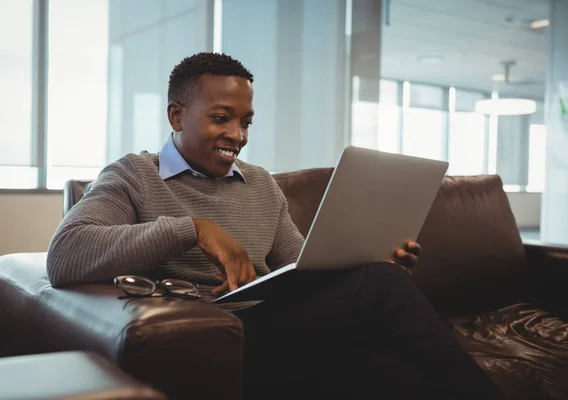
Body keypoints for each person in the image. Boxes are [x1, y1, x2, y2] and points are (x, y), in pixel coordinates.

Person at [46, 52, 505, 399]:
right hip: (212, 340)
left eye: (245, 122)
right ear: (176, 115)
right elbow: (66, 254)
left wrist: (370, 265)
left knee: (396, 372)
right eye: (221, 118)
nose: (238, 136)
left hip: (281, 328)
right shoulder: (132, 176)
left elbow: (301, 267)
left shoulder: (260, 184)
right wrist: (195, 228)